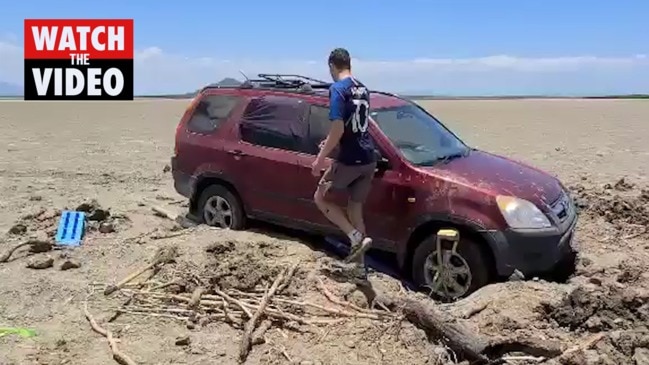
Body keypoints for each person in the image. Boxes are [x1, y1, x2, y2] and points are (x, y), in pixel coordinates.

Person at [311, 48, 377, 267]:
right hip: (368, 158)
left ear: (332, 66)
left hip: (349, 160)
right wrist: (333, 141)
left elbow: (338, 126)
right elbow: (356, 126)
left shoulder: (338, 89)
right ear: (349, 64)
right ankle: (360, 267)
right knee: (355, 209)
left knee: (321, 197)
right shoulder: (363, 88)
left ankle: (354, 237)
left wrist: (321, 158)